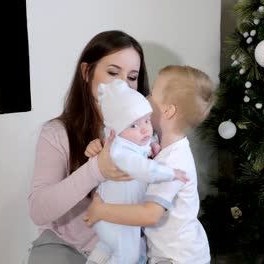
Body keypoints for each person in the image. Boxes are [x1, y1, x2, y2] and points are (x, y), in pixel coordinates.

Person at [27, 30, 150, 264]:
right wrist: (96, 170)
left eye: (132, 77)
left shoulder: (146, 133)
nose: (123, 85)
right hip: (65, 245)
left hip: (124, 248)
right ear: (87, 72)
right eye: (113, 73)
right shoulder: (56, 133)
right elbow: (38, 210)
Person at [83, 65, 216, 264]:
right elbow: (124, 148)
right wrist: (99, 147)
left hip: (177, 258)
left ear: (168, 111)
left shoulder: (174, 163)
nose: (146, 96)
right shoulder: (159, 143)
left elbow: (150, 215)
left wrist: (102, 211)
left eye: (152, 93)